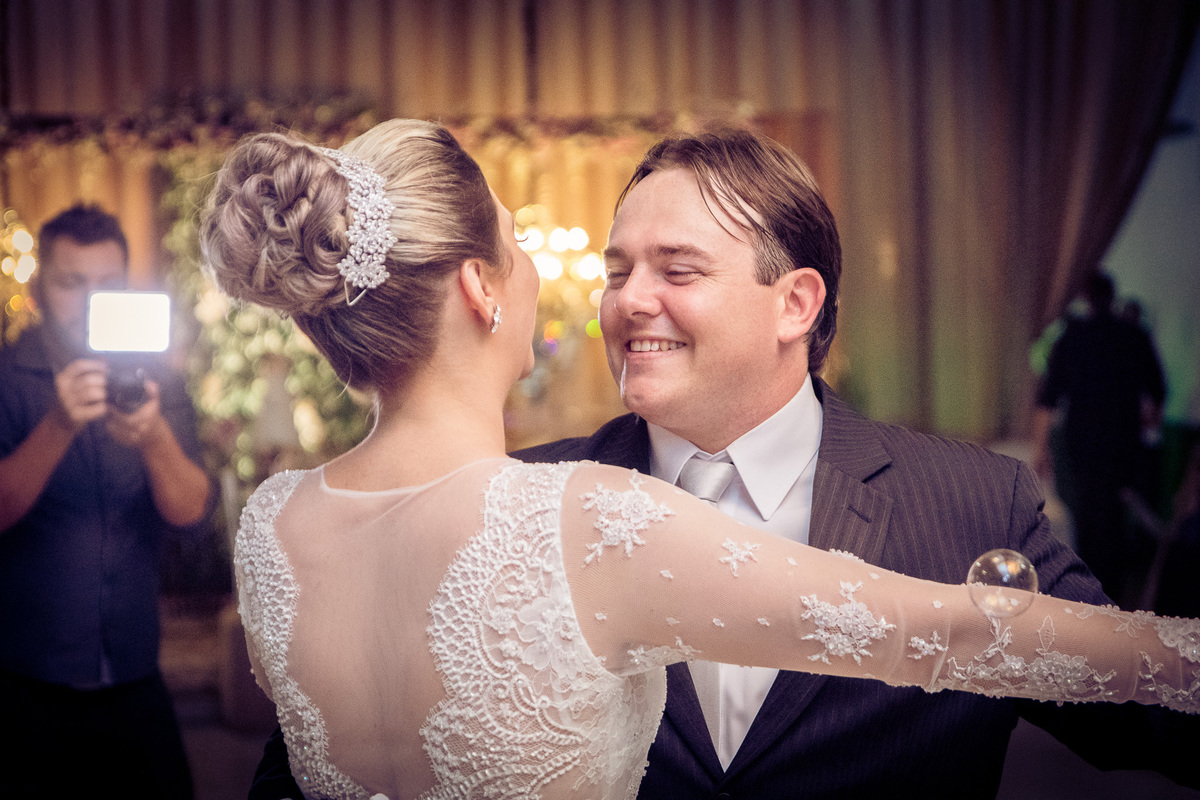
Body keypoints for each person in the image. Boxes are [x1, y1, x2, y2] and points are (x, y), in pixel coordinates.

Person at [210, 120, 1200, 800]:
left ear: (795, 303)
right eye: (614, 269)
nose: (627, 299)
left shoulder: (970, 501)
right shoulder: (541, 505)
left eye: (677, 269)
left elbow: (1146, 717)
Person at [0, 205, 212, 798]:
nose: (91, 300)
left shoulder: (157, 382)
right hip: (24, 681)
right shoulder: (6, 377)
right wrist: (57, 427)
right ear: (40, 289)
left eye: (108, 286)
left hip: (135, 673)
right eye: (73, 283)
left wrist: (154, 437)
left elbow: (193, 513)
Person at [1033, 271, 1167, 605]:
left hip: (1082, 442)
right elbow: (1158, 390)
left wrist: (1041, 449)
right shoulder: (1133, 335)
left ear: (1086, 297)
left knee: (1086, 518)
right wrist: (1147, 420)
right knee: (1115, 521)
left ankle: (1088, 596)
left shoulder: (1073, 338)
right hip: (1123, 443)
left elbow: (1047, 399)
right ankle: (1113, 598)